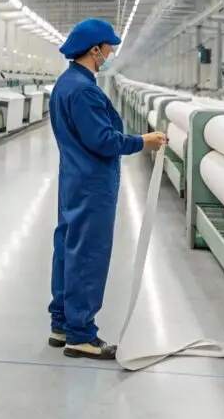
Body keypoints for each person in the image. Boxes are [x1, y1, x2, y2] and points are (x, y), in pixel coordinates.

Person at [48, 18, 166, 359]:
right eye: (108, 48)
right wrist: (143, 141)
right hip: (92, 184)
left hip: (74, 179)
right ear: (94, 50)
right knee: (88, 254)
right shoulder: (84, 90)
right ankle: (81, 334)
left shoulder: (65, 84)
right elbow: (103, 140)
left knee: (68, 249)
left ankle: (61, 323)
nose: (111, 53)